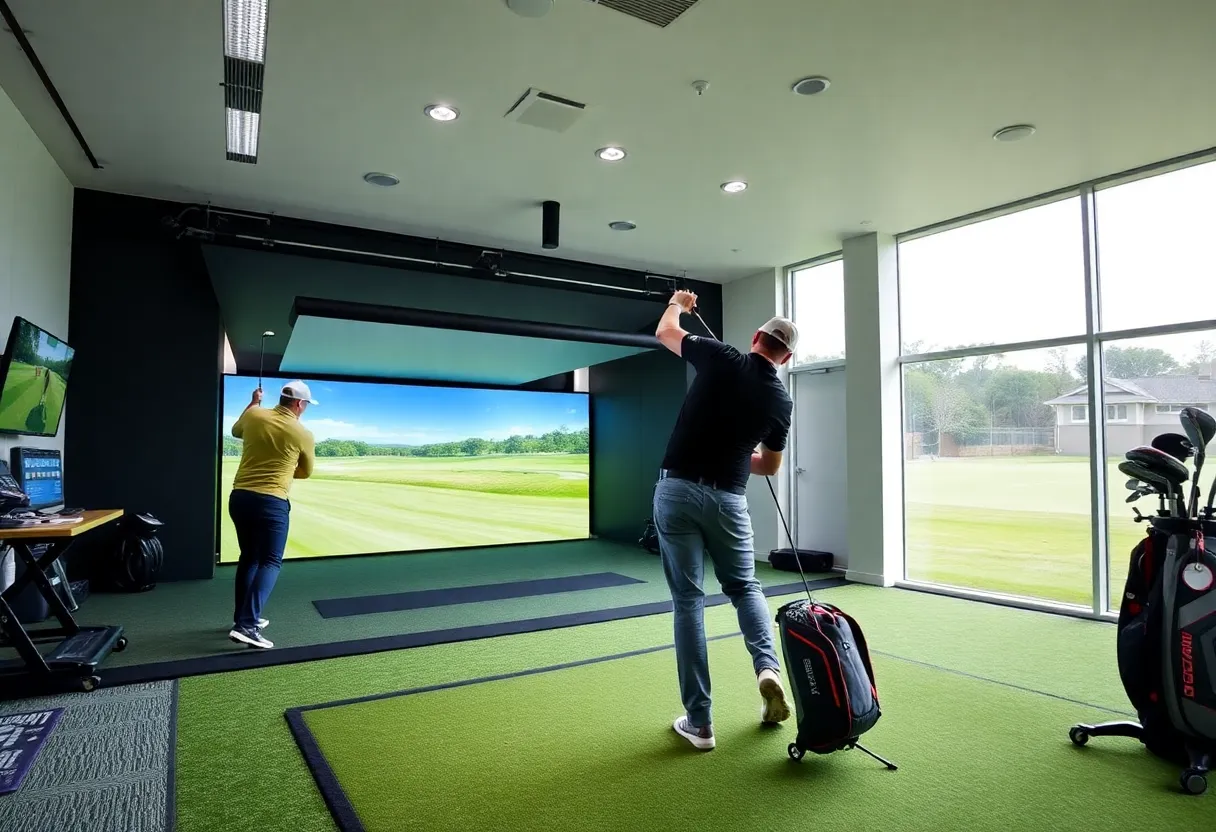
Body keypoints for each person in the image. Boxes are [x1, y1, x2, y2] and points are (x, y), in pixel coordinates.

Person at [652, 289, 798, 751]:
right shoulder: (781, 403)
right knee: (745, 588)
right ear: (788, 357)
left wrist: (678, 302)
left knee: (689, 602)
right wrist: (740, 450)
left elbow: (665, 332)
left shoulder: (722, 356)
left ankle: (700, 723)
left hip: (676, 491)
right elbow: (769, 467)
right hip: (729, 501)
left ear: (756, 337)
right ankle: (767, 669)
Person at [227, 380, 318, 649]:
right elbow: (306, 471)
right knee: (270, 561)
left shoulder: (255, 414)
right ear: (300, 404)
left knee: (249, 558)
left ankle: (241, 618)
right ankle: (247, 624)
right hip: (272, 502)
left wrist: (254, 401)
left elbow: (235, 430)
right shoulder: (302, 432)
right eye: (306, 406)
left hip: (240, 497)